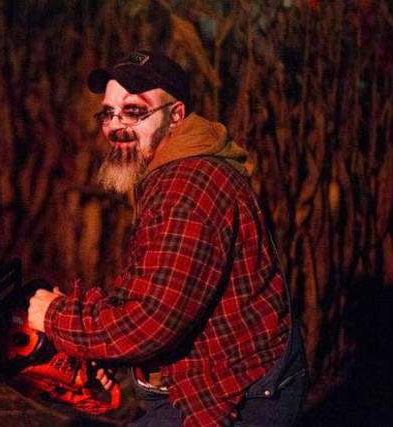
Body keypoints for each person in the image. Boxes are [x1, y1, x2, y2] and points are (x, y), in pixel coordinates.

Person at [28, 50, 307, 426]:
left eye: (134, 111)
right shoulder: (172, 167)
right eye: (108, 113)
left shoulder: (186, 188)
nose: (115, 126)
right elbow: (155, 288)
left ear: (175, 115)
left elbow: (151, 320)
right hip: (203, 380)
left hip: (234, 394)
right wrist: (94, 340)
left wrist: (55, 318)